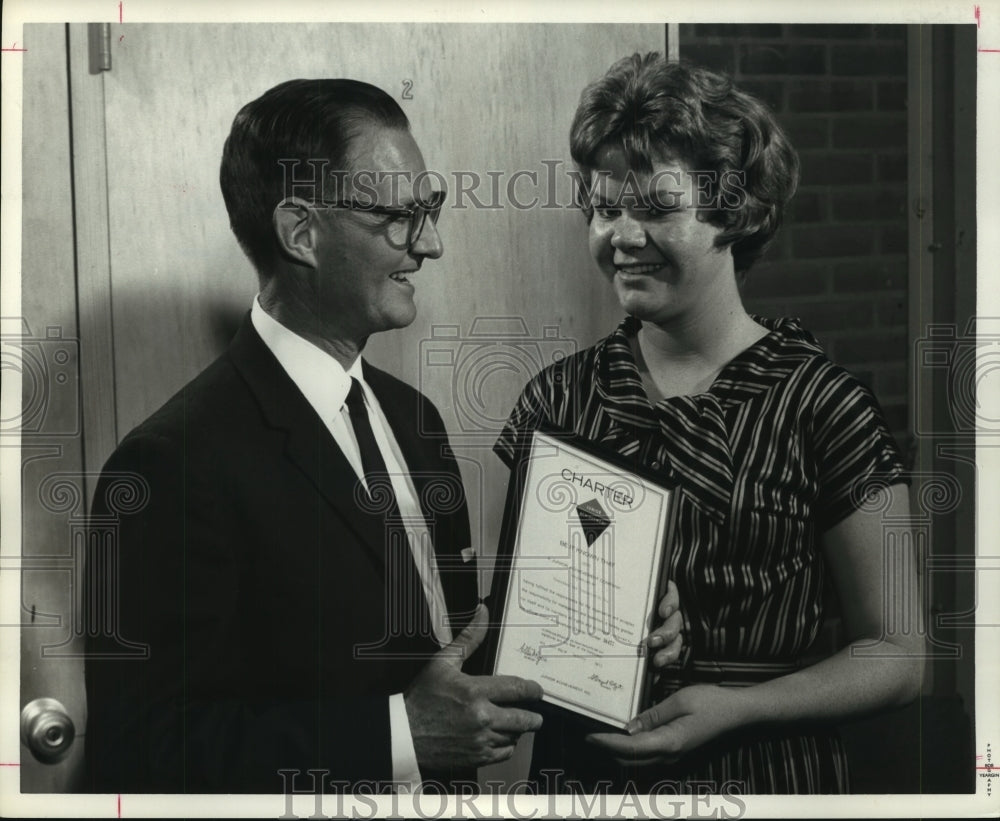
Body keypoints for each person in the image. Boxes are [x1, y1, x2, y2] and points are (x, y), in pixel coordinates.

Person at [82, 78, 553, 794]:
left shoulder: (414, 419)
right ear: (300, 231)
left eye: (430, 208)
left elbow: (448, 658)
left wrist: (604, 633)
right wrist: (399, 735)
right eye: (400, 215)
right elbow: (145, 748)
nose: (432, 243)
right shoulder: (170, 464)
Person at [494, 54, 924, 794]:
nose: (620, 236)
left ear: (738, 213)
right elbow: (517, 618)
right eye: (603, 207)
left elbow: (898, 653)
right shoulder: (556, 398)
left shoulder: (822, 405)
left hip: (762, 777)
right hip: (583, 778)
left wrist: (737, 709)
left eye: (657, 209)